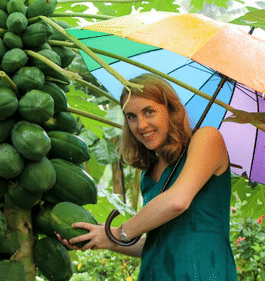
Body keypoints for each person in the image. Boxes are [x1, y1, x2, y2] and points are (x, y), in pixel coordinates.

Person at [58, 73, 238, 280]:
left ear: (171, 111)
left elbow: (177, 201)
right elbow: (157, 243)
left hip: (204, 272)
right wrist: (103, 238)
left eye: (149, 112)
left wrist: (116, 233)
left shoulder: (208, 138)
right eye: (131, 116)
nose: (141, 125)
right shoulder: (149, 172)